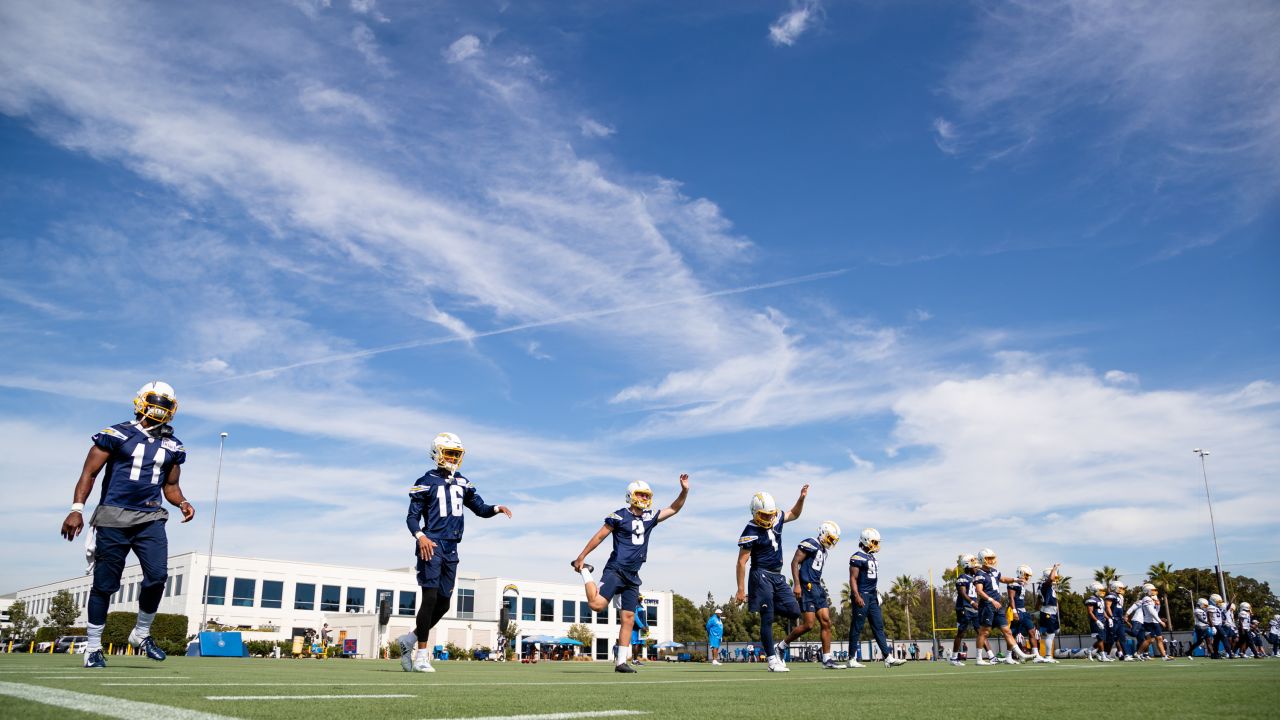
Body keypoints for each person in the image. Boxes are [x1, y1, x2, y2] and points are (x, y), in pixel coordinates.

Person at [60, 381, 195, 669]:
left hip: (150, 517)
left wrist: (182, 502)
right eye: (155, 401)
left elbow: (171, 486)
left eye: (165, 403)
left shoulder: (173, 445)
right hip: (113, 516)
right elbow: (89, 473)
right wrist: (76, 509)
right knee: (105, 586)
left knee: (158, 576)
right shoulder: (116, 434)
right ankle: (94, 648)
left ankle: (141, 633)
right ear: (141, 402)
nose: (160, 407)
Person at [397, 432, 513, 673]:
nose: (452, 458)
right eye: (449, 453)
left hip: (452, 547)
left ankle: (408, 640)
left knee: (444, 604)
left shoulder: (462, 481)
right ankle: (421, 655)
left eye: (456, 454)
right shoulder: (425, 481)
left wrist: (496, 508)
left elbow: (479, 508)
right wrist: (421, 536)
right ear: (436, 453)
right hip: (432, 544)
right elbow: (411, 518)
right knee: (429, 598)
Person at [572, 474, 690, 673]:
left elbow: (674, 508)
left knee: (627, 618)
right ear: (631, 496)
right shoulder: (619, 516)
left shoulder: (650, 517)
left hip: (633, 576)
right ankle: (585, 572)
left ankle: (620, 663)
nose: (644, 499)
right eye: (641, 495)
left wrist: (684, 491)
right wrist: (582, 556)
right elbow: (600, 536)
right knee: (596, 605)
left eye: (646, 496)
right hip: (616, 569)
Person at [735, 487, 808, 672]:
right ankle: (771, 659)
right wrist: (741, 589)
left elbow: (794, 514)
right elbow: (742, 562)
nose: (768, 518)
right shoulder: (750, 529)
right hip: (761, 574)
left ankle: (777, 647)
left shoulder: (777, 518)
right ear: (755, 513)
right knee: (766, 618)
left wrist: (801, 498)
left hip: (777, 575)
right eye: (764, 515)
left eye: (770, 514)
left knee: (793, 611)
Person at [778, 521, 843, 670]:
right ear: (823, 533)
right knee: (809, 625)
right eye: (830, 538)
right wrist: (797, 584)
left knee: (826, 622)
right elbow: (795, 562)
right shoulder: (811, 543)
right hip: (807, 586)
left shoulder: (824, 550)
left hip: (818, 587)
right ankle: (781, 646)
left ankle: (827, 659)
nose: (831, 542)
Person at [846, 528, 906, 669]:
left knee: (878, 626)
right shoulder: (857, 557)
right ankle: (851, 658)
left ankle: (887, 657)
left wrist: (876, 593)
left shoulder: (871, 557)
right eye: (874, 541)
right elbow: (853, 578)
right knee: (857, 626)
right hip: (862, 594)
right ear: (865, 541)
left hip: (872, 596)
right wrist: (856, 595)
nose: (876, 544)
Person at [973, 548, 1031, 666]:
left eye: (992, 558)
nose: (991, 561)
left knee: (1007, 631)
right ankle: (979, 658)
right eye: (988, 558)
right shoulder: (979, 574)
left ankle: (1021, 654)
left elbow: (1003, 579)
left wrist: (1016, 579)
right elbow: (979, 590)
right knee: (984, 632)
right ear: (982, 559)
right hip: (987, 605)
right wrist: (991, 600)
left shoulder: (994, 571)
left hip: (998, 605)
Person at [1009, 565, 1048, 663]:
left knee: (1032, 631)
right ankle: (1008, 656)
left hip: (1024, 611)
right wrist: (1014, 611)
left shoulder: (1021, 584)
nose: (1028, 577)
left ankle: (1036, 655)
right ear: (1020, 573)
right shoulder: (1014, 583)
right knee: (1011, 634)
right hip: (1017, 611)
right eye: (1026, 575)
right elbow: (1011, 598)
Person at [950, 554, 981, 666]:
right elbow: (962, 593)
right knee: (961, 633)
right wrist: (972, 602)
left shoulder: (975, 578)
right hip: (964, 607)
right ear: (968, 566)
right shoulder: (963, 577)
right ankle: (954, 658)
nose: (976, 568)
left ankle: (986, 657)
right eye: (974, 566)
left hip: (973, 608)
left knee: (980, 631)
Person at [1126, 583, 1170, 660]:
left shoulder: (1154, 598)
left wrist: (1158, 606)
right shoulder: (1146, 599)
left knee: (1159, 638)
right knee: (1150, 640)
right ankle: (1138, 653)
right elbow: (1151, 611)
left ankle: (1164, 656)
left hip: (1154, 622)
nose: (1154, 591)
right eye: (1152, 590)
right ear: (1147, 591)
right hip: (1149, 622)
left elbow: (1156, 611)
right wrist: (1160, 621)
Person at [1036, 564, 1062, 664]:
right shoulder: (1045, 584)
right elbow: (1050, 579)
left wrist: (1037, 610)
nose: (1056, 578)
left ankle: (1045, 655)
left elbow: (1038, 599)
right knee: (1050, 634)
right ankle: (1047, 656)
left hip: (1050, 612)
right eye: (1055, 575)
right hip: (1048, 612)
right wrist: (1054, 568)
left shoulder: (1047, 586)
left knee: (1052, 633)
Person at [1104, 580, 1131, 661]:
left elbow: (1120, 609)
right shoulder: (1111, 595)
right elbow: (1107, 607)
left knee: (1122, 637)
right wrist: (1111, 617)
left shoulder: (1120, 597)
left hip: (1119, 620)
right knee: (1111, 639)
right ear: (1114, 588)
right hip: (1113, 619)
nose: (1122, 589)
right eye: (1120, 588)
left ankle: (1126, 655)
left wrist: (1123, 618)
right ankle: (1106, 654)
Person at [1084, 582, 1109, 661]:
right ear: (1095, 590)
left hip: (1102, 620)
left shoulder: (1100, 599)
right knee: (1100, 639)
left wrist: (1108, 618)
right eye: (1100, 590)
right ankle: (1103, 656)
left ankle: (1089, 650)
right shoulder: (1091, 600)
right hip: (1096, 621)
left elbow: (1103, 611)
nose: (1102, 591)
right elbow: (1090, 612)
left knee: (1103, 639)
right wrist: (1097, 621)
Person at [631, 596, 648, 664]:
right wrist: (641, 626)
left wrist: (647, 626)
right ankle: (634, 660)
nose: (642, 598)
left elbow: (643, 618)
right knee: (636, 644)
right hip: (636, 628)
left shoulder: (641, 606)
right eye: (640, 597)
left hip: (643, 628)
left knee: (641, 644)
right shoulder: (635, 606)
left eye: (642, 597)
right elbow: (635, 617)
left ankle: (637, 660)